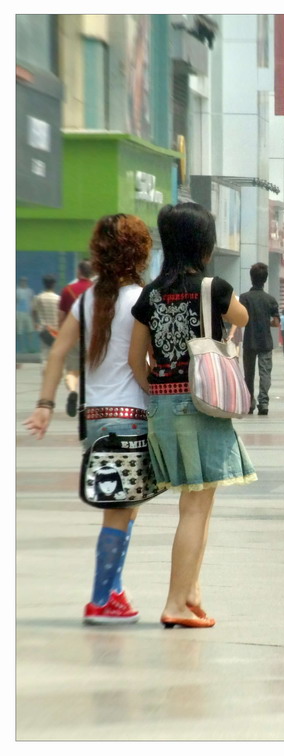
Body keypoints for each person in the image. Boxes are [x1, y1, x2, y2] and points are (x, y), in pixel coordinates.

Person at [128, 202, 256, 629]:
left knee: (196, 502)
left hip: (163, 407)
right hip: (202, 403)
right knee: (196, 508)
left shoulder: (150, 293)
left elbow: (136, 359)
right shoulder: (212, 286)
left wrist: (158, 392)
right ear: (205, 243)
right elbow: (242, 316)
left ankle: (191, 592)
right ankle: (175, 603)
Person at [24, 213, 153, 624]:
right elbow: (142, 363)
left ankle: (113, 590)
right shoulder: (141, 299)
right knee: (120, 510)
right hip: (130, 417)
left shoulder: (88, 297)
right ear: (139, 251)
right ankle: (100, 599)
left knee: (125, 506)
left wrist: (45, 404)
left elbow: (58, 353)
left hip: (95, 419)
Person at [237, 263, 280, 416]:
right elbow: (276, 322)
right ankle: (264, 403)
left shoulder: (244, 298)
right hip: (266, 342)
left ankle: (250, 403)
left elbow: (241, 319)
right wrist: (265, 321)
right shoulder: (270, 299)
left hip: (249, 341)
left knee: (248, 374)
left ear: (251, 278)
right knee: (265, 374)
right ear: (265, 279)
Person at [59, 260, 94, 417]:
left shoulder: (67, 290)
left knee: (72, 371)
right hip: (92, 336)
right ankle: (89, 402)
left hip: (73, 336)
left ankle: (73, 391)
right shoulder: (96, 289)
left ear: (79, 272)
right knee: (91, 371)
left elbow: (61, 317)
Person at [31, 274, 61, 368]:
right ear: (54, 284)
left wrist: (35, 324)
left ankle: (45, 373)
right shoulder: (58, 298)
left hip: (44, 330)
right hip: (56, 331)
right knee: (55, 354)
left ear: (44, 284)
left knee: (45, 355)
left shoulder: (38, 298)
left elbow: (33, 312)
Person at [16, 277, 36, 354]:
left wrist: (33, 314)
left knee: (30, 331)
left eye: (25, 281)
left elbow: (32, 302)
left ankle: (31, 347)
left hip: (28, 313)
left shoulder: (30, 291)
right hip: (19, 313)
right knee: (20, 331)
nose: (24, 282)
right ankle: (22, 348)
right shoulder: (17, 291)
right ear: (20, 282)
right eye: (22, 281)